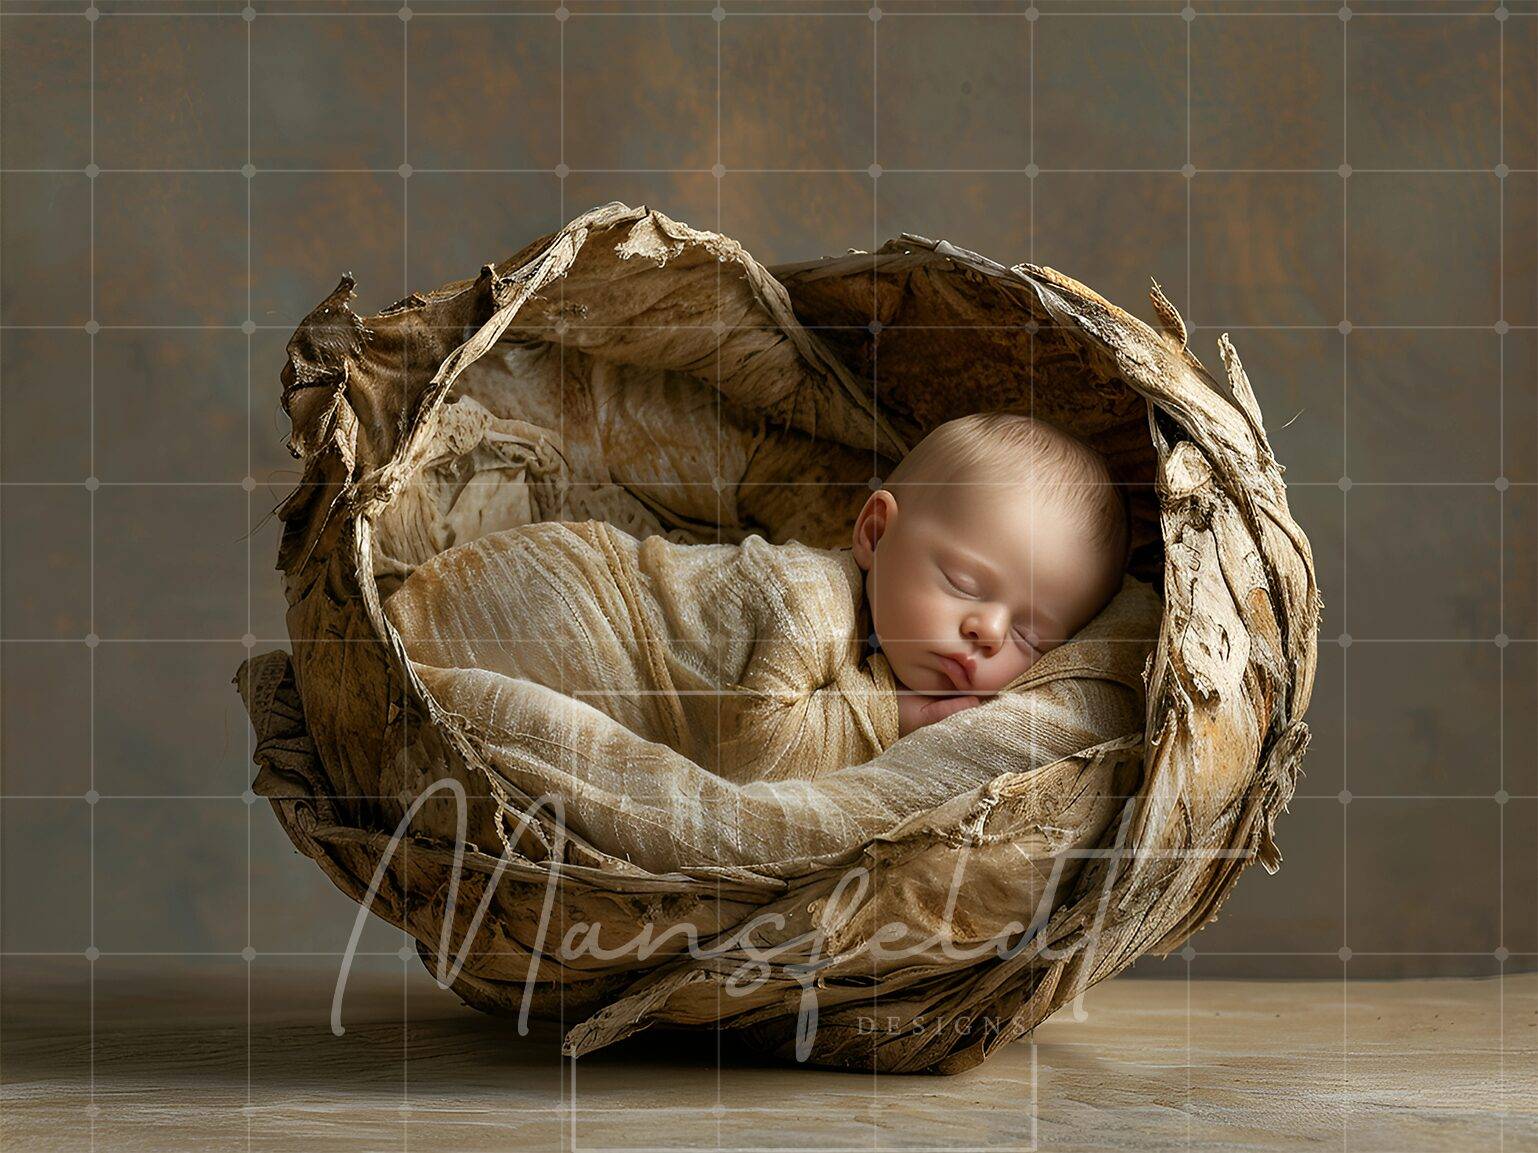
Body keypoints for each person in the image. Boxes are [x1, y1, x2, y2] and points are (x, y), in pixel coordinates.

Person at [852, 411, 1131, 738]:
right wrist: (890, 717)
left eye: (1029, 637)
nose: (990, 632)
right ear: (876, 534)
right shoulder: (805, 595)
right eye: (962, 584)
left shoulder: (993, 726)